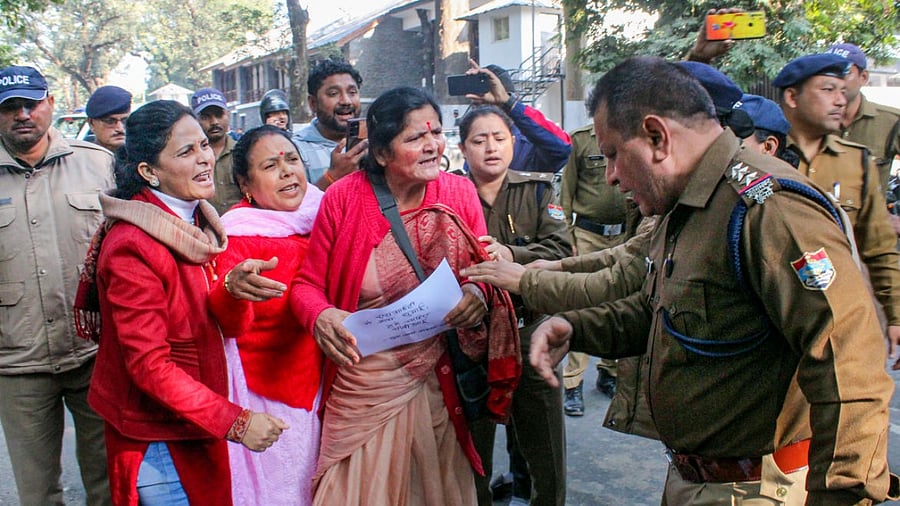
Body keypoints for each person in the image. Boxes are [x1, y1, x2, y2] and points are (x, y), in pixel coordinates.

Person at [527, 55, 897, 504]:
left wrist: (843, 493)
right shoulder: (688, 203)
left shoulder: (767, 209)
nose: (611, 176)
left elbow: (848, 360)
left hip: (758, 489)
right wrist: (579, 327)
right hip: (701, 479)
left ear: (657, 137)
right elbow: (672, 313)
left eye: (612, 155)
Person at [290, 86, 521, 505]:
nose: (432, 145)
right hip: (364, 381)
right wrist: (321, 315)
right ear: (381, 154)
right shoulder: (344, 197)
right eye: (415, 138)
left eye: (435, 132)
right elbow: (307, 286)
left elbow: (480, 267)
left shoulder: (458, 192)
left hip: (441, 378)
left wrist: (477, 292)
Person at [80, 100, 288, 505]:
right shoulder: (133, 246)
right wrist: (238, 423)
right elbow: (148, 365)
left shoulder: (197, 223)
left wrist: (230, 290)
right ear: (148, 172)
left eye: (203, 146)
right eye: (185, 152)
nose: (204, 159)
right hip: (158, 437)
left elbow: (215, 326)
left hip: (194, 420)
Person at [0, 65, 113, 506]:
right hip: (17, 365)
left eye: (31, 104)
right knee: (38, 494)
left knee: (107, 483)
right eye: (10, 108)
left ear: (50, 104)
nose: (23, 114)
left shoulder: (98, 165)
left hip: (94, 356)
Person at [208, 125, 325, 505]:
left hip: (325, 388)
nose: (288, 171)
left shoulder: (324, 215)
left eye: (292, 160)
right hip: (267, 395)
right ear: (245, 184)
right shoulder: (236, 238)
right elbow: (223, 318)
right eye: (271, 166)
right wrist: (230, 291)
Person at [460, 105, 569, 506]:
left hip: (529, 329)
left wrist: (512, 254)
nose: (491, 148)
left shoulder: (537, 190)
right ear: (462, 148)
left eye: (500, 138)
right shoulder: (450, 193)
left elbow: (562, 249)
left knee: (545, 450)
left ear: (512, 143)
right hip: (471, 337)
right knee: (472, 450)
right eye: (479, 140)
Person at [775, 53, 900, 368]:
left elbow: (879, 248)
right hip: (774, 321)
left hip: (840, 318)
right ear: (792, 96)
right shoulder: (762, 155)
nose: (840, 101)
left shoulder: (856, 162)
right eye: (828, 90)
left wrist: (896, 314)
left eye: (842, 92)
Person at [558, 120, 634, 416]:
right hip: (587, 235)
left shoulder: (631, 131)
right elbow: (565, 191)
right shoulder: (581, 139)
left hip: (626, 235)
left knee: (620, 304)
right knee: (583, 305)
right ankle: (573, 383)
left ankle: (609, 372)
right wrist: (566, 236)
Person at [463, 62, 571, 174]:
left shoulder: (530, 143)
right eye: (481, 105)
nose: (491, 148)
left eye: (497, 105)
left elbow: (562, 148)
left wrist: (509, 103)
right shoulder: (472, 141)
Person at [826, 43, 900, 190]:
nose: (835, 80)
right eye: (828, 73)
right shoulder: (809, 121)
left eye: (844, 72)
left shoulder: (891, 121)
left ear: (864, 77)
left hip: (872, 212)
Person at [292, 59, 368, 190]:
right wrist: (332, 176)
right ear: (313, 103)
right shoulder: (295, 149)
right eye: (333, 94)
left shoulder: (375, 142)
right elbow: (295, 206)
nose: (346, 101)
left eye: (352, 92)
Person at [192, 87, 239, 214]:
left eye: (219, 115)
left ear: (227, 115)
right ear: (195, 120)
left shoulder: (243, 152)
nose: (214, 122)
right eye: (206, 117)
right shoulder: (188, 158)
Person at [86, 85, 131, 153]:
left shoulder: (143, 157)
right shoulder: (81, 161)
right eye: (110, 121)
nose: (120, 128)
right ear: (91, 123)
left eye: (125, 121)